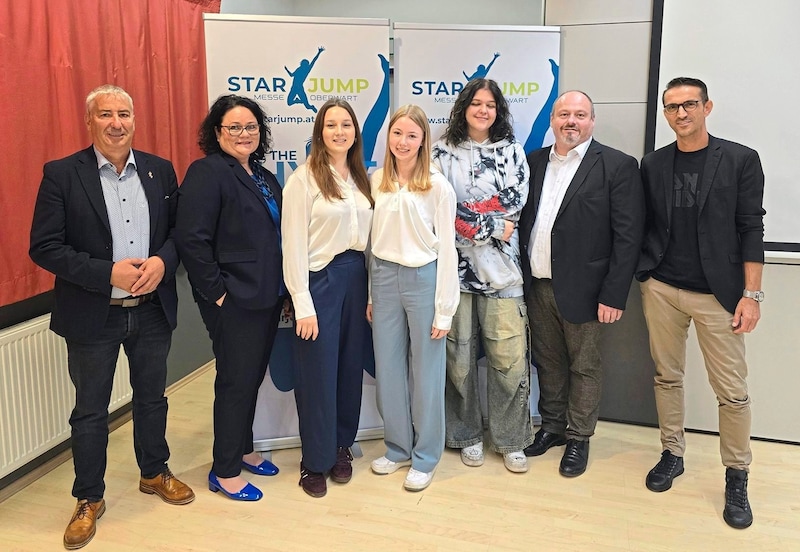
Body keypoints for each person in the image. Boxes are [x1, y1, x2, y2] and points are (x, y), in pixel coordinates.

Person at [29, 84, 194, 550]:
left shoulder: (160, 171)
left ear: (134, 119)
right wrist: (108, 273)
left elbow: (181, 232)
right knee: (90, 413)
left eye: (124, 113)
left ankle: (154, 472)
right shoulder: (62, 174)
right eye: (106, 115)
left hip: (152, 312)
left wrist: (163, 260)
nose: (117, 123)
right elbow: (44, 246)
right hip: (92, 315)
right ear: (90, 121)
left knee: (152, 400)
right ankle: (88, 498)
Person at [637, 77, 765, 529]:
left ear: (707, 107)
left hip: (720, 295)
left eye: (689, 104)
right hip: (662, 289)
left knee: (731, 392)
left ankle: (737, 474)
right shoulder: (652, 164)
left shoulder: (739, 160)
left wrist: (751, 295)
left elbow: (751, 228)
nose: (681, 113)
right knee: (667, 376)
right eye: (672, 107)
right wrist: (645, 275)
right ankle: (673, 453)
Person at [519, 90, 645, 477]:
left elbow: (628, 237)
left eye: (579, 115)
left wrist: (613, 294)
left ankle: (579, 437)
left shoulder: (617, 166)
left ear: (592, 121)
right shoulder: (533, 161)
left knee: (584, 366)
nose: (570, 121)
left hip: (588, 291)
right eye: (563, 114)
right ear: (553, 121)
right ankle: (553, 428)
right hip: (537, 285)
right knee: (549, 362)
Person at [175, 95, 284, 502]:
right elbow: (192, 239)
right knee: (235, 382)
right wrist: (218, 295)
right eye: (234, 127)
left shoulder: (262, 175)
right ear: (216, 132)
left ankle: (244, 448)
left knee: (251, 379)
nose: (244, 134)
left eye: (251, 126)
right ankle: (224, 470)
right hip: (234, 298)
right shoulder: (206, 173)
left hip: (267, 295)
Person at [431, 78, 533, 474]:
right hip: (453, 277)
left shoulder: (511, 151)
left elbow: (514, 202)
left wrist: (471, 217)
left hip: (504, 277)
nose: (483, 110)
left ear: (499, 110)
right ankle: (465, 435)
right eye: (476, 103)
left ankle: (510, 439)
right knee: (457, 362)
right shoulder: (440, 152)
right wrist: (491, 227)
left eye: (490, 105)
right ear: (464, 107)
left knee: (510, 361)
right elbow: (441, 211)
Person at [282, 98, 374, 498]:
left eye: (347, 124)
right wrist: (302, 301)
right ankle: (313, 460)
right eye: (331, 125)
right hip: (321, 281)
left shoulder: (362, 177)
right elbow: (293, 246)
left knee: (349, 368)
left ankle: (340, 447)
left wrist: (370, 293)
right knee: (317, 373)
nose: (340, 131)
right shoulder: (303, 179)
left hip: (357, 278)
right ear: (320, 133)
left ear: (356, 131)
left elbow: (371, 245)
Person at [367, 105, 459, 491]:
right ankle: (398, 447)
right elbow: (371, 245)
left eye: (411, 135)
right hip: (385, 279)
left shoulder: (437, 185)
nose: (402, 142)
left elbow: (449, 250)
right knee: (387, 370)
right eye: (397, 134)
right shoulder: (376, 181)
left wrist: (444, 310)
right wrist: (372, 293)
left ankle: (425, 456)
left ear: (424, 141)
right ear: (388, 138)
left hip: (424, 280)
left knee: (426, 373)